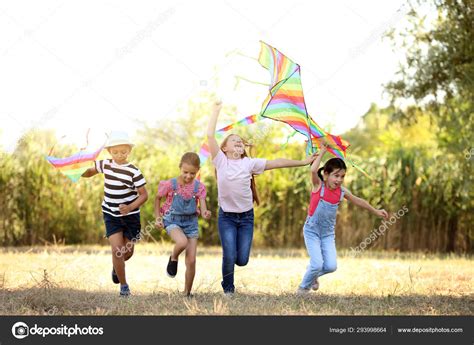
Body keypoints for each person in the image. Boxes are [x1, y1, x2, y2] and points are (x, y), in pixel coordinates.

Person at [82, 131, 148, 297]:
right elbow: (89, 172)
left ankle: (116, 267)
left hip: (131, 217)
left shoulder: (134, 171)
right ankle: (124, 286)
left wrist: (130, 207)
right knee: (117, 251)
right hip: (111, 214)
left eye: (123, 152)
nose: (119, 155)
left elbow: (144, 195)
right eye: (115, 152)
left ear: (129, 151)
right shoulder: (105, 164)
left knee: (127, 252)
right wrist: (77, 169)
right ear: (109, 151)